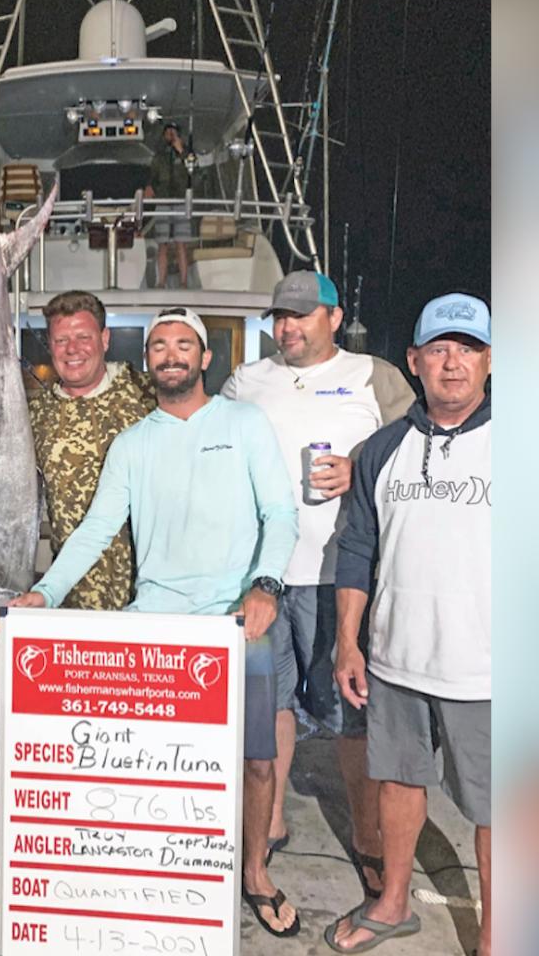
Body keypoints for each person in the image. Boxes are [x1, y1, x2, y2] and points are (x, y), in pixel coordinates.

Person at [9, 307, 302, 937]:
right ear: (148, 362)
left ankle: (255, 873)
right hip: (156, 629)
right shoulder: (132, 443)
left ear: (204, 358)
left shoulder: (245, 423)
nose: (171, 354)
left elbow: (280, 514)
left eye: (183, 345)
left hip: (237, 626)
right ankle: (154, 886)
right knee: (151, 767)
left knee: (256, 762)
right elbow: (96, 529)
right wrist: (46, 593)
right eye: (160, 346)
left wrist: (265, 586)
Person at [221, 271, 415, 897]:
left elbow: (416, 448)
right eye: (280, 316)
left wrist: (360, 467)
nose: (288, 328)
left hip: (342, 578)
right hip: (263, 577)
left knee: (350, 714)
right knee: (270, 705)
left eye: (302, 316)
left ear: (334, 317)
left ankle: (366, 834)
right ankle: (270, 820)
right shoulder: (245, 381)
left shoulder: (374, 375)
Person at [323, 293, 492, 954]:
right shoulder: (383, 448)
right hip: (396, 660)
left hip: (490, 670)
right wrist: (347, 642)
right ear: (414, 360)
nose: (454, 363)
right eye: (440, 349)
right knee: (396, 783)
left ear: (489, 361)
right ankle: (393, 903)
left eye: (469, 349)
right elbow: (357, 548)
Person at [29, 291, 156, 610]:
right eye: (61, 340)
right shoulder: (36, 414)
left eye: (83, 337)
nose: (72, 349)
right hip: (72, 597)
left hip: (149, 597)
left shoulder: (145, 394)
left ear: (105, 338)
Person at [144, 122, 194, 288]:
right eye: (167, 132)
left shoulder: (187, 153)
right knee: (162, 243)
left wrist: (181, 152)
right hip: (163, 201)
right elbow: (152, 177)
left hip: (181, 201)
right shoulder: (159, 156)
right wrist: (149, 187)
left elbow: (194, 170)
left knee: (181, 243)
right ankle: (161, 282)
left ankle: (184, 282)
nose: (170, 135)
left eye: (173, 132)